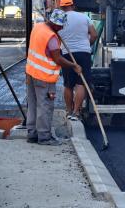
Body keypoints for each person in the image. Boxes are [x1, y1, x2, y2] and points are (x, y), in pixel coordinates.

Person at [26, 9, 82, 146]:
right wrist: (74, 65)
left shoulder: (38, 27)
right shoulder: (51, 37)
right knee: (45, 107)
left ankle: (32, 134)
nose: (62, 28)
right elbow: (58, 59)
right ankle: (44, 137)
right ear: (56, 24)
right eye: (61, 25)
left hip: (31, 72)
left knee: (33, 105)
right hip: (44, 77)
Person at [58, 0, 97, 121]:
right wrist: (87, 45)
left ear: (61, 7)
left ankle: (69, 111)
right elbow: (94, 34)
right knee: (81, 83)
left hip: (67, 54)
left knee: (68, 84)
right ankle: (76, 113)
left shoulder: (59, 20)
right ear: (73, 6)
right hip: (84, 53)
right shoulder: (84, 17)